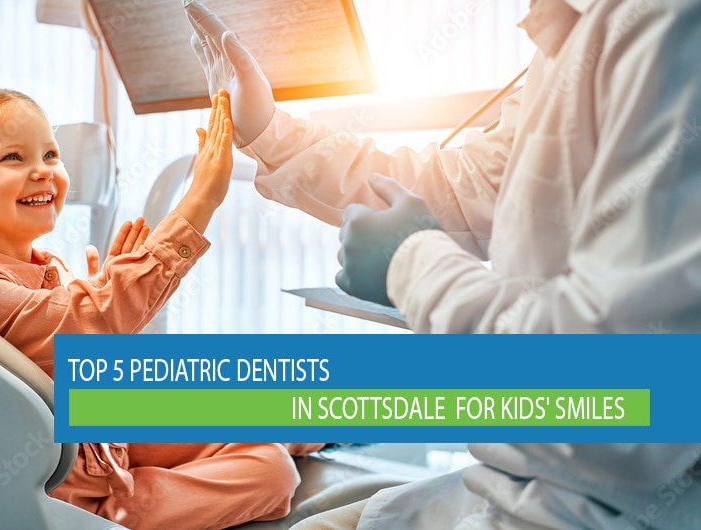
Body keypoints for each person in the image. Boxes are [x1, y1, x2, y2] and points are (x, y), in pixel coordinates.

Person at [185, 0, 701, 528]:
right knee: (314, 514)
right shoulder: (574, 36)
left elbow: (632, 394)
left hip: (613, 503)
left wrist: (411, 262)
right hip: (529, 479)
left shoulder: (664, 29)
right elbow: (457, 187)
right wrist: (271, 130)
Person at [0, 87, 307, 529]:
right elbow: (82, 320)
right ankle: (116, 514)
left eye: (50, 154)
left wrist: (110, 307)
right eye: (13, 157)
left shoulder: (48, 267)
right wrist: (199, 200)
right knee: (271, 469)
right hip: (72, 490)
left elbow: (85, 344)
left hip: (98, 440)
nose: (43, 171)